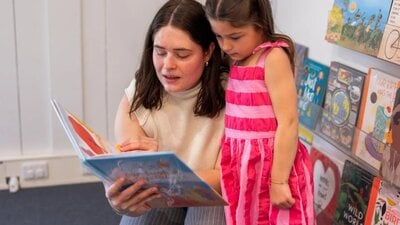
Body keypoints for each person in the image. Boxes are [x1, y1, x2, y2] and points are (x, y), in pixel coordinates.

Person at [104, 0, 227, 224]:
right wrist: (120, 198)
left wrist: (162, 173)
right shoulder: (139, 92)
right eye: (160, 52)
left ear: (208, 52)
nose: (167, 65)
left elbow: (225, 176)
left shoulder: (232, 94)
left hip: (214, 192)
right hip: (160, 192)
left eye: (182, 55)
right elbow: (127, 170)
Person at [204, 0, 315, 224]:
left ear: (260, 25)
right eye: (219, 36)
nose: (225, 46)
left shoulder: (272, 58)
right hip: (244, 168)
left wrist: (279, 182)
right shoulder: (237, 58)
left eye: (234, 37)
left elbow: (289, 122)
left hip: (272, 167)